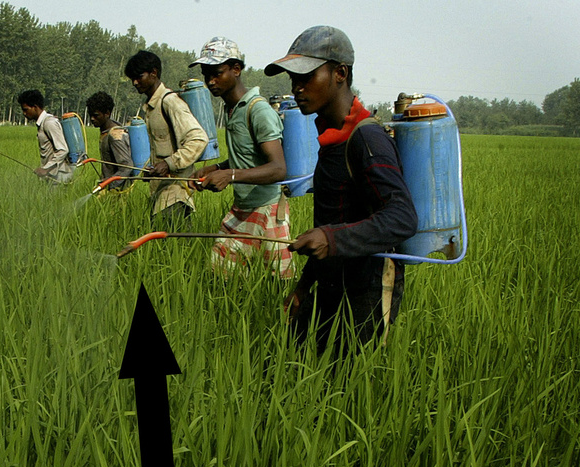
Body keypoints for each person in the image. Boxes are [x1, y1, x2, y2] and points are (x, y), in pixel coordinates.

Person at [265, 26, 418, 354]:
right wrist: (304, 286)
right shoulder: (333, 137)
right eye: (293, 79)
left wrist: (330, 239)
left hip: (366, 291)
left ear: (340, 73)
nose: (297, 88)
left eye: (306, 76)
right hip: (333, 281)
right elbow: (333, 219)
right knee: (298, 365)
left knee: (347, 388)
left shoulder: (367, 138)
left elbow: (402, 217)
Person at [191, 37, 292, 277]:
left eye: (217, 73)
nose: (210, 81)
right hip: (243, 208)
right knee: (219, 275)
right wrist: (216, 168)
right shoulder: (232, 109)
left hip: (267, 211)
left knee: (279, 284)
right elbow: (247, 157)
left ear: (236, 69)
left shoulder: (257, 110)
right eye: (207, 75)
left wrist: (231, 175)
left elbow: (278, 168)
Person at [123, 50, 208, 229]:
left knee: (178, 249)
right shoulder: (151, 108)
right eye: (132, 79)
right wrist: (153, 170)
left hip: (176, 195)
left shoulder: (170, 102)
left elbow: (198, 139)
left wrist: (168, 164)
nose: (135, 83)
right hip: (161, 194)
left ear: (154, 73)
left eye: (139, 77)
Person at [17, 89, 73, 184]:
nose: (24, 113)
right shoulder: (42, 124)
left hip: (59, 177)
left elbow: (63, 150)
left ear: (35, 107)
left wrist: (46, 169)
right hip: (52, 176)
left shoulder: (49, 123)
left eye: (26, 109)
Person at [85, 91, 133, 191]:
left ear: (107, 113)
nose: (92, 119)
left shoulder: (115, 135)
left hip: (119, 191)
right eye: (90, 115)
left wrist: (109, 185)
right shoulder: (105, 132)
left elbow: (126, 166)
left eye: (96, 115)